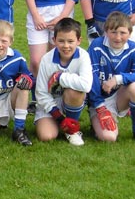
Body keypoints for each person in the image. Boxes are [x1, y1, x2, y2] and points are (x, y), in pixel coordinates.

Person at [87, 11, 135, 144]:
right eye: (113, 32)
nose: (118, 37)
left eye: (123, 33)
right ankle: (96, 123)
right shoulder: (96, 46)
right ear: (106, 31)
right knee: (109, 138)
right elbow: (91, 78)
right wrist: (100, 107)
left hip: (120, 97)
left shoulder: (134, 49)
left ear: (129, 33)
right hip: (100, 100)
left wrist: (117, 79)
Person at [34, 18, 92, 146]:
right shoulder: (46, 59)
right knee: (46, 136)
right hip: (51, 103)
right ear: (54, 40)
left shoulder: (83, 56)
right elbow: (41, 93)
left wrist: (60, 77)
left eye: (70, 41)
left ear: (79, 41)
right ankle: (62, 123)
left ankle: (72, 129)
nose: (66, 46)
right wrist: (59, 117)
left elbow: (86, 85)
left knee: (75, 91)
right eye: (61, 41)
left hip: (70, 99)